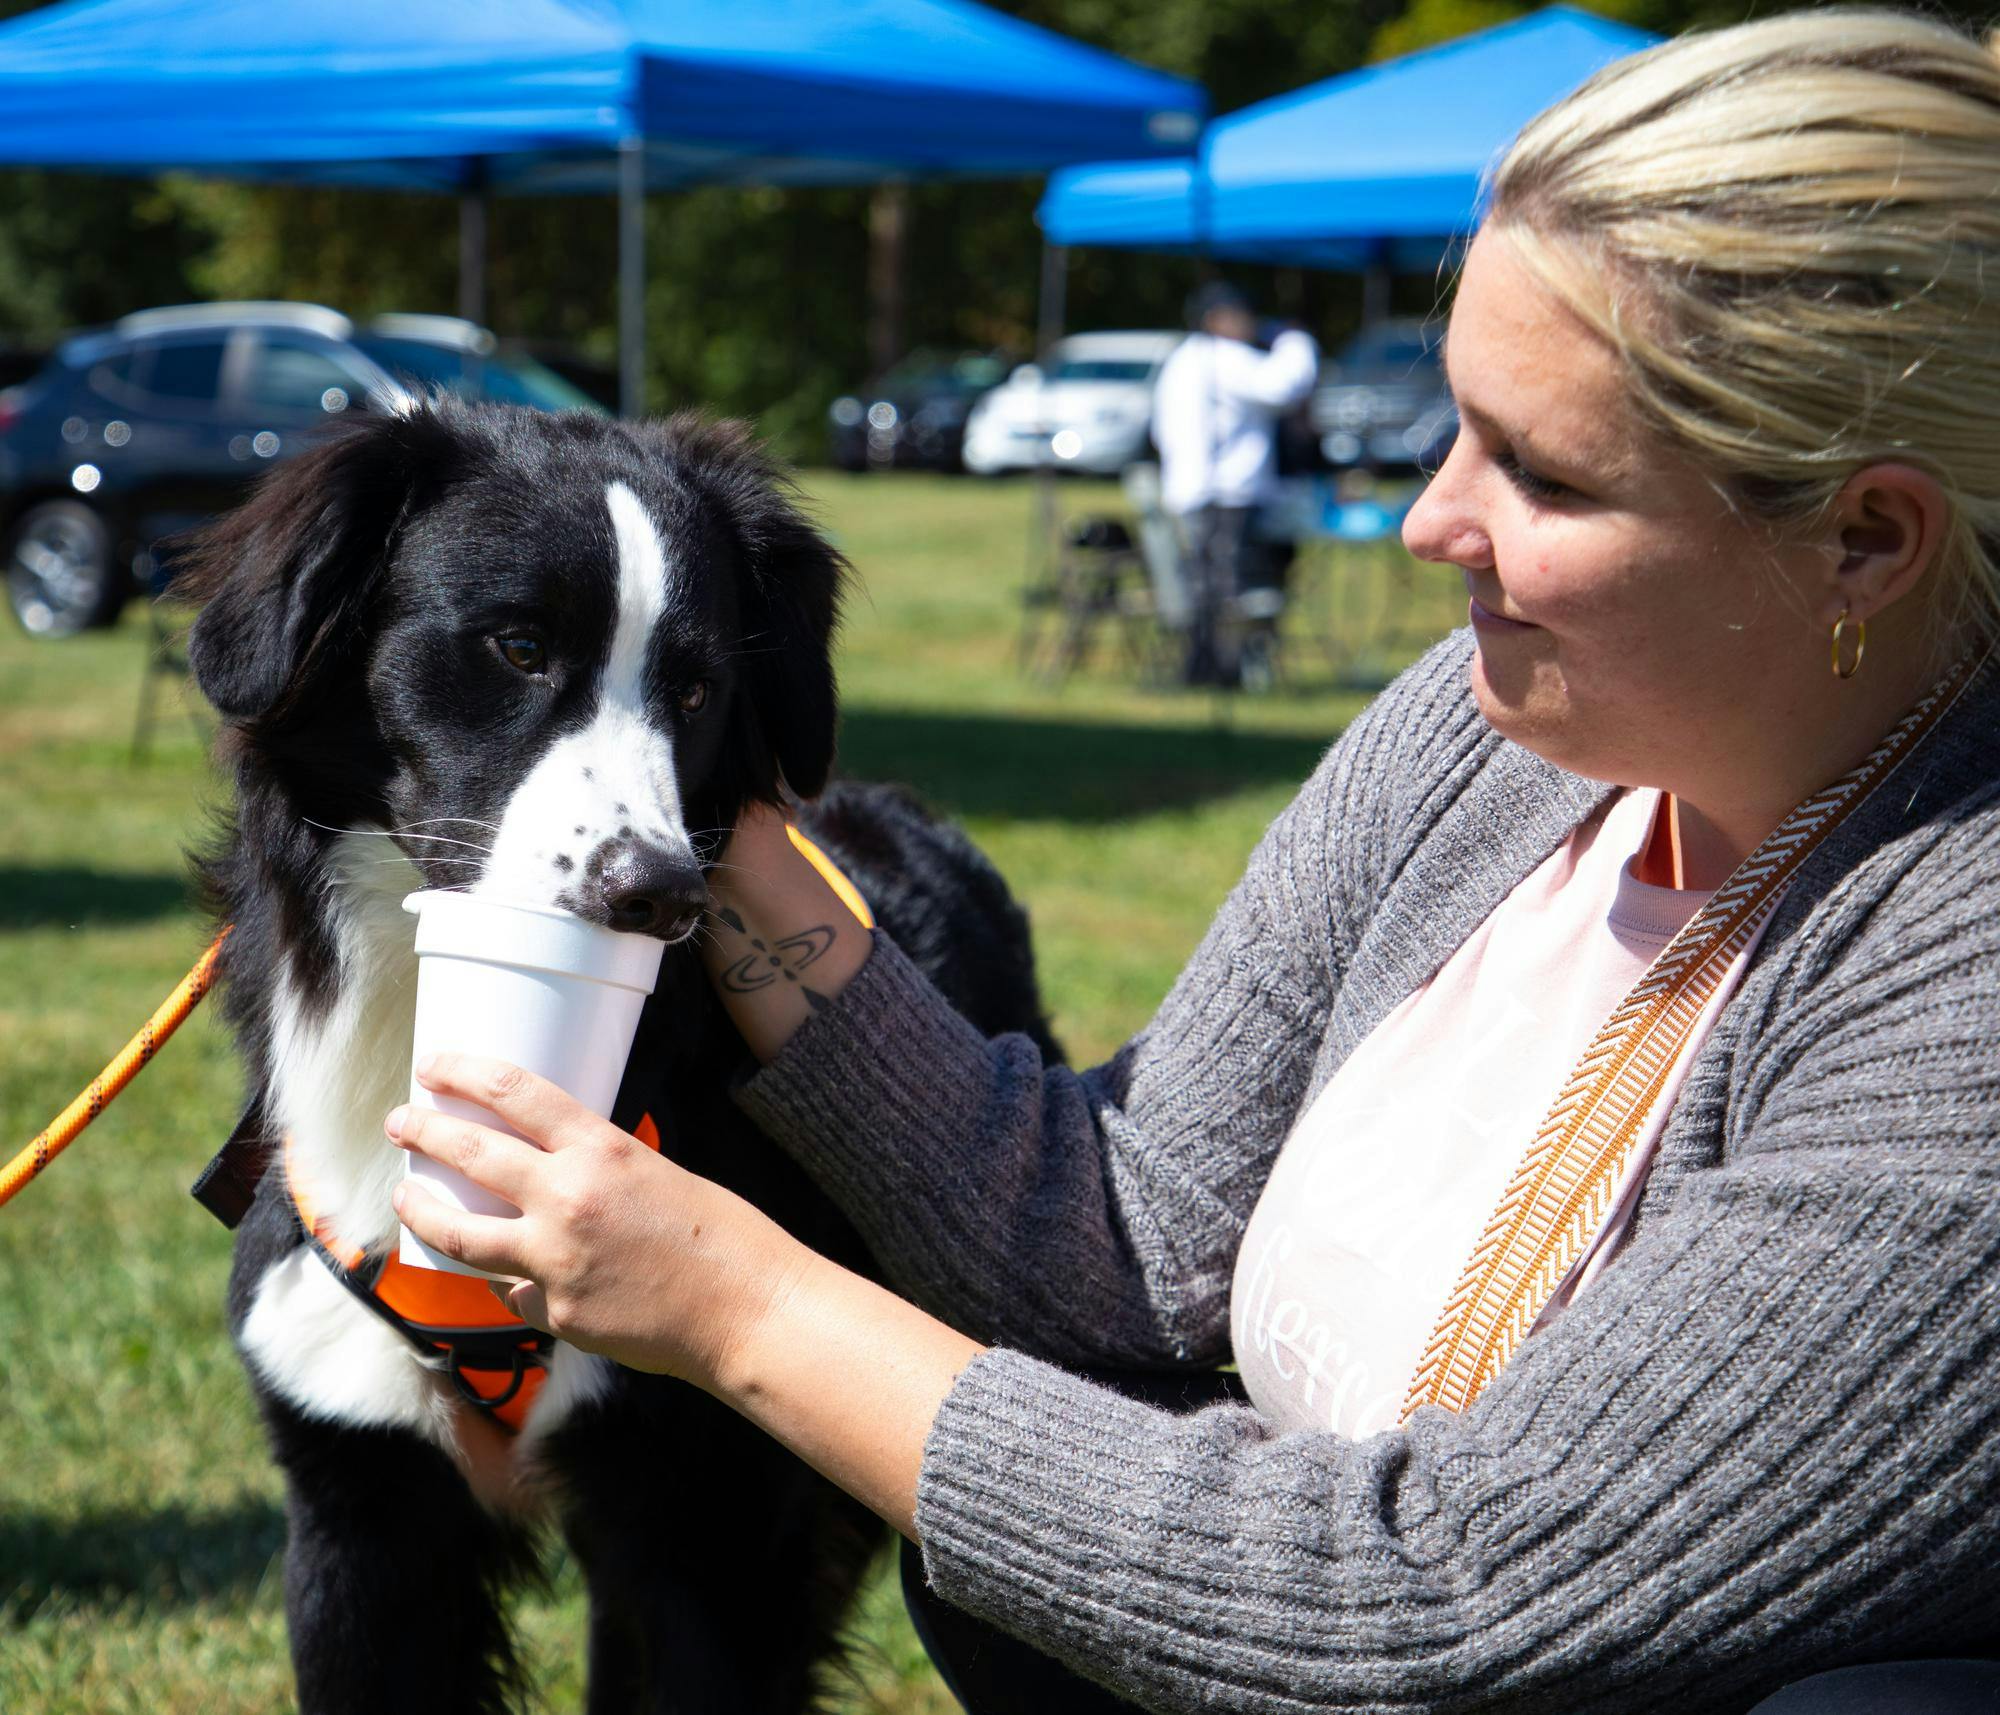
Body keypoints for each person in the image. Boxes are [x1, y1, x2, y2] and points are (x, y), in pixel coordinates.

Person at [389, 11, 2000, 1711]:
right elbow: (1127, 1242)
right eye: (1458, 422)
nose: (1428, 519)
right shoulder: (1494, 731)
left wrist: (738, 1309)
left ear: (1865, 540)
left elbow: (1434, 1599)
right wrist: (705, 815)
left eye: (1539, 472)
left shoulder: (1963, 985)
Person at [1151, 282, 1319, 686]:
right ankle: (1221, 673)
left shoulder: (1179, 360)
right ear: (1218, 319)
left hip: (1190, 489)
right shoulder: (1223, 357)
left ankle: (1204, 670)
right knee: (1228, 592)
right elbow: (1285, 386)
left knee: (1204, 588)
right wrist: (1294, 339)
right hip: (1226, 493)